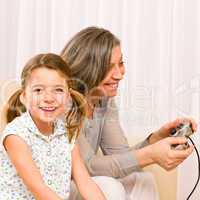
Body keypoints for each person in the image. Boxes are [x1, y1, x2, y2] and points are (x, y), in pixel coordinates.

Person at [60, 26, 197, 200]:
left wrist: (156, 139)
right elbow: (87, 167)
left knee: (143, 180)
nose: (119, 74)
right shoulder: (61, 102)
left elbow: (120, 157)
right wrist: (150, 154)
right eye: (109, 67)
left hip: (85, 182)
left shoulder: (103, 99)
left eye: (121, 63)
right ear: (88, 68)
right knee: (110, 187)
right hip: (60, 187)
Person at [0, 53, 111, 200]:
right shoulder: (16, 136)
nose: (49, 98)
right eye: (38, 90)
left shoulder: (66, 132)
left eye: (58, 90)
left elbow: (85, 182)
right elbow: (39, 190)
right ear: (24, 97)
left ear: (68, 97)